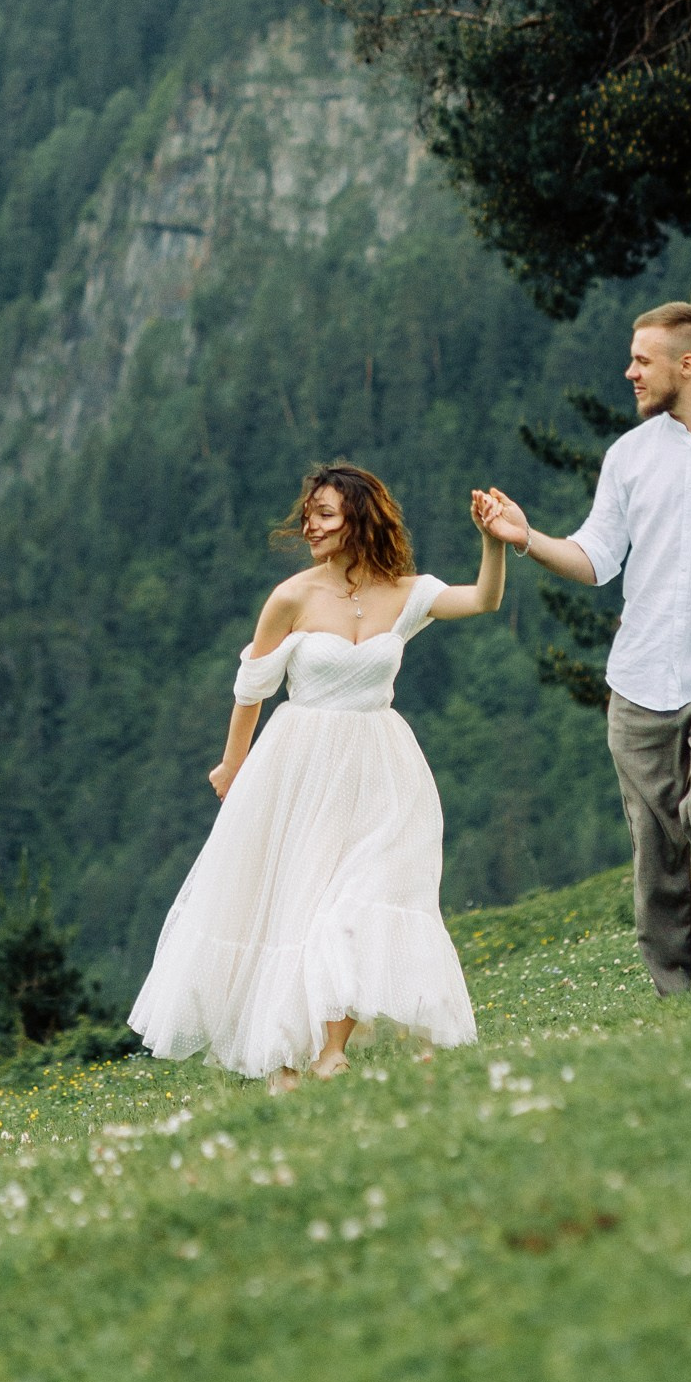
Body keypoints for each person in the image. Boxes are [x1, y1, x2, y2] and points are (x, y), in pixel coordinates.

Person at [475, 302, 691, 992]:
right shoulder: (628, 457)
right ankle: (676, 989)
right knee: (655, 842)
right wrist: (526, 537)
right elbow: (595, 557)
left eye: (642, 360)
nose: (630, 372)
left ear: (686, 364)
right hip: (639, 674)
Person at [129, 461, 507, 1084]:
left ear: (360, 518)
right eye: (308, 516)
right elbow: (252, 686)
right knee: (297, 907)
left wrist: (493, 540)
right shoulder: (292, 597)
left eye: (325, 514)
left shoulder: (408, 593)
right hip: (300, 766)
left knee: (360, 899)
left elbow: (484, 599)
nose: (311, 526)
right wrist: (233, 764)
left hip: (381, 767)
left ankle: (332, 1051)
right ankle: (284, 1057)